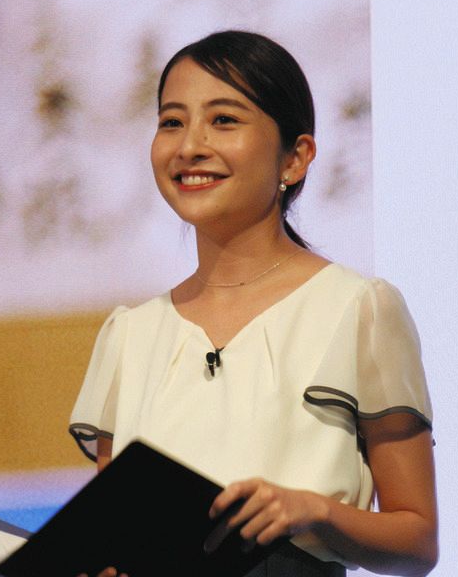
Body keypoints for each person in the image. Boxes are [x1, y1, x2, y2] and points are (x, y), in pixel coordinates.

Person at [69, 30, 438, 577]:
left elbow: (418, 541)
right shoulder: (130, 335)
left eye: (223, 120)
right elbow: (110, 543)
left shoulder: (358, 308)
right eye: (171, 122)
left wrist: (315, 512)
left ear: (296, 158)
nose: (190, 146)